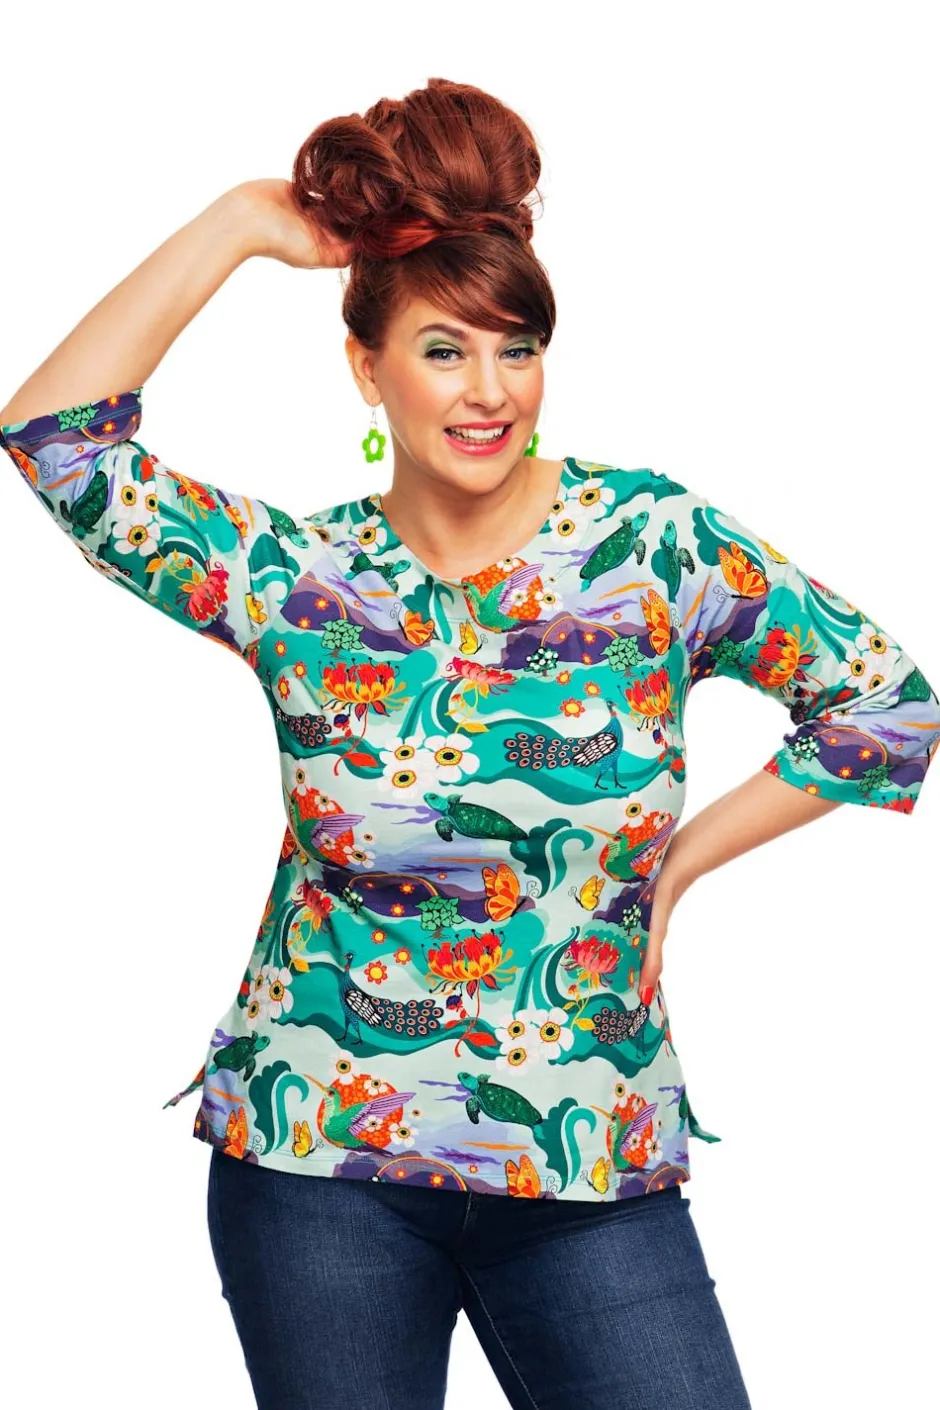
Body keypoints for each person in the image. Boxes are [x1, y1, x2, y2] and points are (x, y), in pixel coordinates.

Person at [1, 77, 937, 1410]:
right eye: (445, 350)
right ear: (366, 367)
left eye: (518, 346)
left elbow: (884, 702)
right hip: (315, 1162)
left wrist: (677, 865)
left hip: (587, 1157)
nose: (490, 391)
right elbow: (56, 442)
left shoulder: (650, 548)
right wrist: (242, 223)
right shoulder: (299, 578)